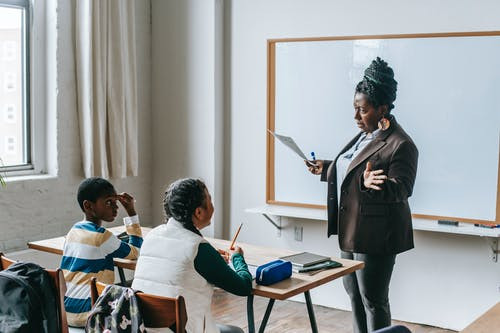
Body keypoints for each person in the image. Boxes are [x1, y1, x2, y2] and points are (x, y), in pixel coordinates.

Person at [306, 57, 418, 333]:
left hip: (377, 236)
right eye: (355, 108)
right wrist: (327, 167)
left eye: (362, 110)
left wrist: (371, 185)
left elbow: (403, 188)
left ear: (382, 108)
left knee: (373, 300)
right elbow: (354, 167)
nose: (356, 116)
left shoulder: (401, 144)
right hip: (352, 229)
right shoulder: (365, 134)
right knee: (353, 295)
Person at [132, 178, 252, 333]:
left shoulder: (152, 235)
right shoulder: (198, 248)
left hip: (142, 328)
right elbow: (243, 288)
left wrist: (212, 259)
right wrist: (238, 258)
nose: (213, 206)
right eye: (210, 200)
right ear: (199, 212)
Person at [61, 177, 143, 327]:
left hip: (65, 313)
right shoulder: (103, 237)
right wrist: (131, 212)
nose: (116, 208)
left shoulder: (73, 232)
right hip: (90, 313)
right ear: (88, 206)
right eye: (108, 202)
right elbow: (137, 252)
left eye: (115, 202)